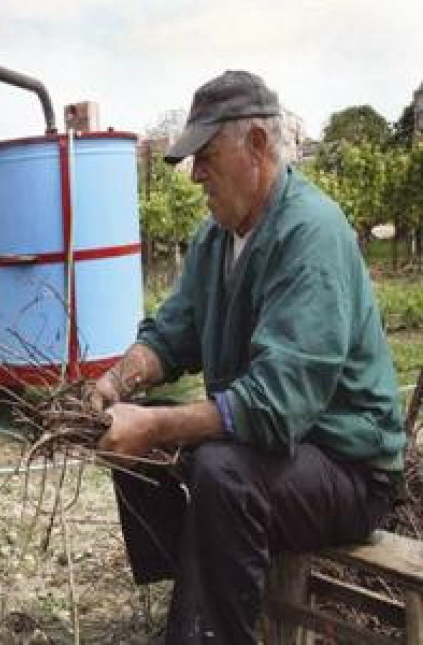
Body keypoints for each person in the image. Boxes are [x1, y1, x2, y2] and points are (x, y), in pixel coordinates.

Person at [89, 70, 406, 644]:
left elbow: (276, 405)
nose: (196, 175)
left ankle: (210, 630)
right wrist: (117, 382)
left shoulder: (311, 234)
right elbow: (170, 334)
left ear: (257, 145)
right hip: (276, 447)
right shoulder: (216, 237)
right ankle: (193, 601)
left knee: (222, 472)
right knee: (140, 448)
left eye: (207, 156)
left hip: (348, 465)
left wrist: (158, 425)